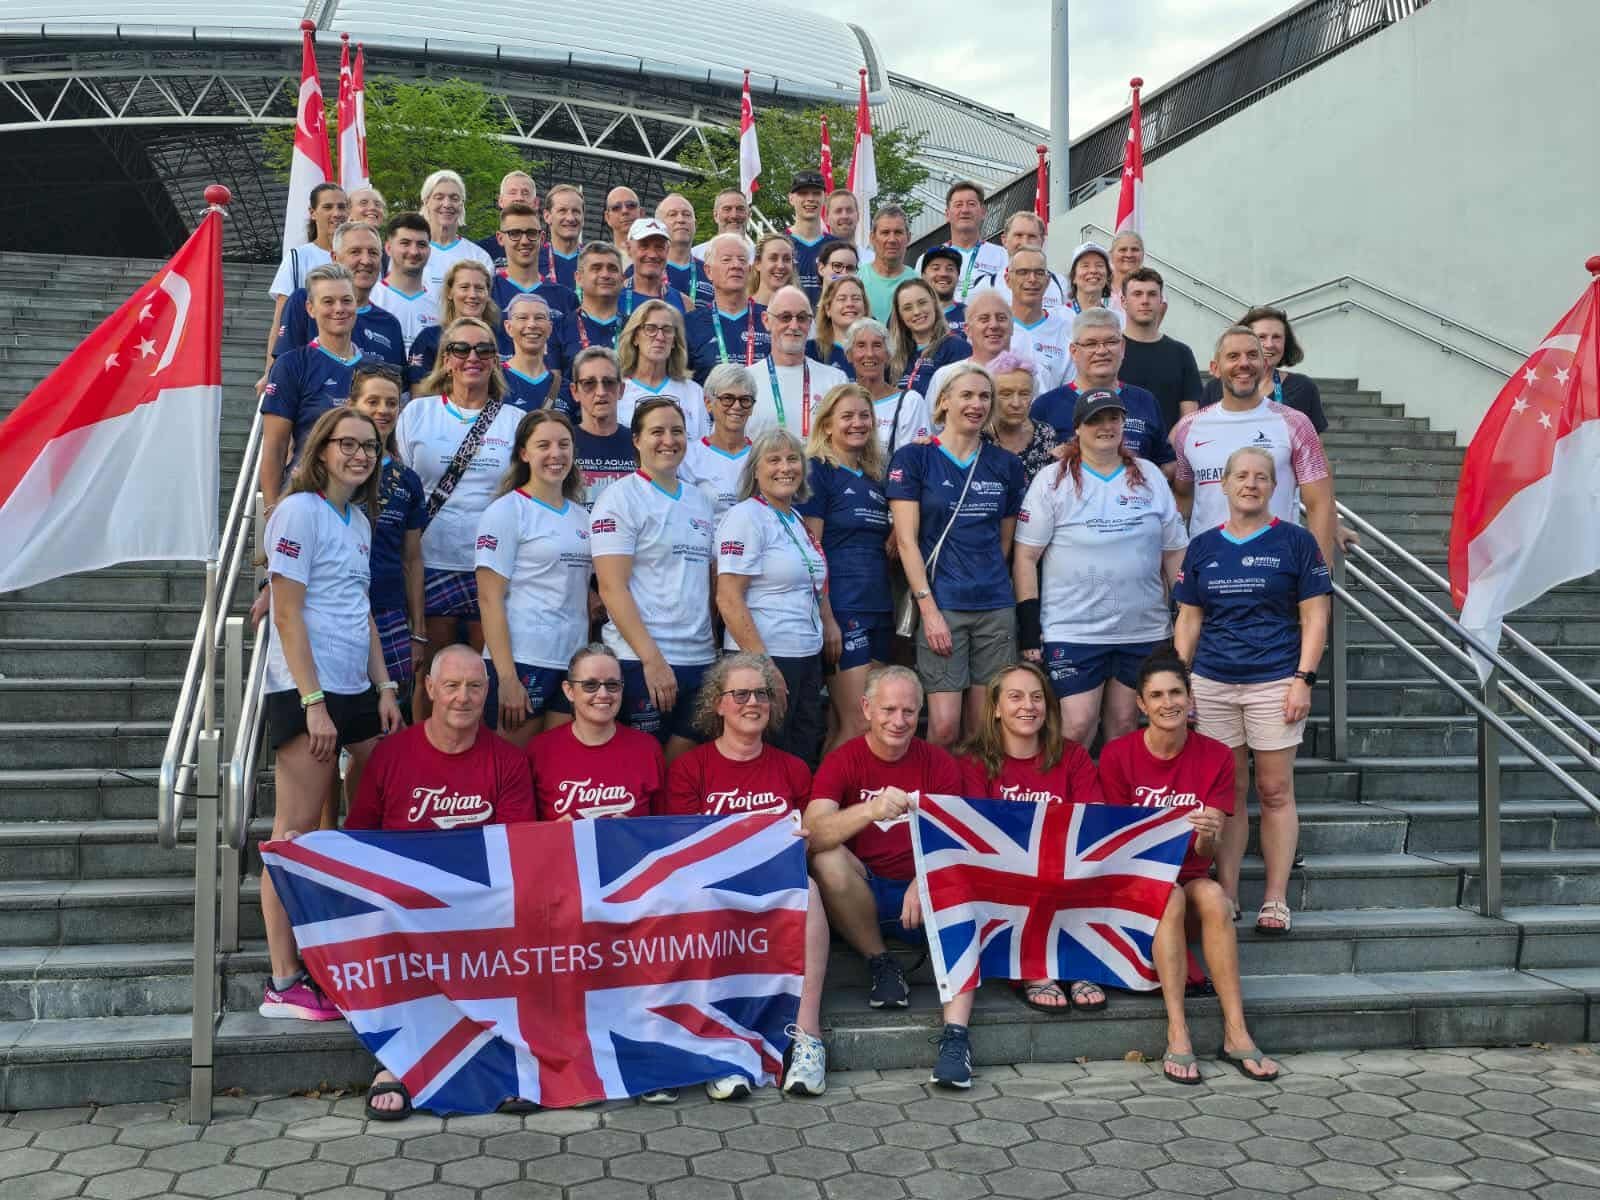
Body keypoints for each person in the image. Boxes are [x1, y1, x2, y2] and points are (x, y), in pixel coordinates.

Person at [258, 407, 404, 1023]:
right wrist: (313, 703)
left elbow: (360, 607)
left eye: (369, 446)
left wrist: (386, 686)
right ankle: (284, 980)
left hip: (353, 687)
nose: (359, 455)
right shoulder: (298, 511)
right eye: (347, 444)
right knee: (294, 835)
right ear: (320, 451)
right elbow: (287, 613)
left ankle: (336, 952)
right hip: (304, 689)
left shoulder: (358, 520)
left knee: (366, 806)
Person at [348, 642, 535, 1119]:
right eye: (451, 685)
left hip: (478, 899)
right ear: (429, 689)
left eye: (474, 686)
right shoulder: (392, 755)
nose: (463, 697)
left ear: (487, 691)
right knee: (384, 922)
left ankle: (502, 1058)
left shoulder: (507, 761)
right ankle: (394, 1062)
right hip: (404, 903)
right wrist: (301, 849)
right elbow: (359, 836)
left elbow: (515, 849)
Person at [1100, 652, 1280, 1084]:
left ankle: (1236, 1030)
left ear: (1190, 697)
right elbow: (1114, 845)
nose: (1168, 703)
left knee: (1215, 897)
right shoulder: (1117, 755)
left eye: (1176, 692)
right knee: (1171, 894)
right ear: (1141, 705)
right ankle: (1177, 1028)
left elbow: (1204, 851)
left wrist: (1209, 832)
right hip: (1136, 878)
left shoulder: (1216, 756)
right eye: (1157, 695)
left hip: (1189, 870)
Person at [1174, 445, 1332, 936]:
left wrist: (1303, 679)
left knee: (1274, 790)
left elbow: (1315, 614)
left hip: (1274, 680)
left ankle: (1275, 898)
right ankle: (1226, 891)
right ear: (1222, 484)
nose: (1250, 483)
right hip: (1214, 682)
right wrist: (1183, 683)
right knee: (1229, 794)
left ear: (1274, 485)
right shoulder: (1203, 546)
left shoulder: (1296, 542)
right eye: (1240, 475)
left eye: (1261, 476)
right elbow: (1189, 618)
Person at [665, 655, 830, 1098]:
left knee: (809, 890)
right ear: (717, 705)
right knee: (706, 898)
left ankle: (808, 1040)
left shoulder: (793, 769)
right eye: (740, 694)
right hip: (712, 888)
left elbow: (806, 841)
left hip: (776, 885)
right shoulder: (689, 769)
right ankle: (725, 1046)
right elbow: (682, 851)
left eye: (761, 694)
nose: (752, 702)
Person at [803, 667, 971, 1086]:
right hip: (867, 893)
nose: (899, 721)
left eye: (909, 711)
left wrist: (924, 879)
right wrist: (871, 810)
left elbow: (955, 838)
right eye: (889, 709)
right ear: (865, 709)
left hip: (924, 894)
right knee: (826, 859)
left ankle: (956, 1034)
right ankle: (881, 962)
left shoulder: (938, 762)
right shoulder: (843, 760)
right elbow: (813, 834)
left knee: (964, 880)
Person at [1013, 387, 1188, 748]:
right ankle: (1068, 805)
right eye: (1095, 420)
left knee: (1124, 726)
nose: (1106, 426)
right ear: (1077, 427)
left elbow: (1174, 552)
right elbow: (1026, 556)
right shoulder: (1053, 479)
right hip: (1073, 629)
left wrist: (1185, 615)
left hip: (1142, 628)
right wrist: (1030, 630)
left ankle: (1112, 806)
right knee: (1076, 726)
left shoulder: (1150, 474)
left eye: (1114, 418)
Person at [888, 365, 1026, 748]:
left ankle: (971, 807)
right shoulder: (913, 459)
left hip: (995, 604)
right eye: (966, 395)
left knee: (983, 731)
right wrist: (929, 610)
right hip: (942, 605)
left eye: (984, 397)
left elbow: (1004, 542)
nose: (977, 404)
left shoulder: (1006, 466)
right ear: (944, 400)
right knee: (944, 727)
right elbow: (906, 542)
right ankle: (936, 806)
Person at [956, 661, 1103, 1014]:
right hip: (1006, 876)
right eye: (1016, 697)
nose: (1029, 706)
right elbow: (978, 834)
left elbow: (1094, 819)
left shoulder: (1073, 756)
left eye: (1037, 698)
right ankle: (1033, 969)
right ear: (994, 708)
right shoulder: (973, 763)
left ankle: (1076, 965)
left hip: (1067, 866)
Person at [395, 316, 524, 718]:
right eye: (461, 349)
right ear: (445, 360)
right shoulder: (418, 413)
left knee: (484, 675)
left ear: (495, 360)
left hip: (493, 565)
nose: (473, 357)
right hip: (431, 561)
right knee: (431, 677)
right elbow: (402, 486)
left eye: (484, 350)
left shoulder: (515, 421)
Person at [590, 397, 717, 760]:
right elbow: (612, 588)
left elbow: (704, 582)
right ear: (636, 440)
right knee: (641, 767)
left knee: (681, 770)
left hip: (699, 658)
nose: (668, 440)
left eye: (677, 431)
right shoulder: (620, 499)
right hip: (642, 659)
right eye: (657, 431)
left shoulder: (699, 500)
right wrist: (652, 660)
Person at [1173, 325, 1339, 569]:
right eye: (1233, 356)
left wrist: (1318, 578)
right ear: (1215, 369)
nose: (1244, 363)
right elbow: (1183, 498)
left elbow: (1320, 504)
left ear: (1264, 365)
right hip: (1209, 575)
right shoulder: (1188, 428)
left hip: (1278, 572)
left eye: (1252, 355)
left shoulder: (1296, 423)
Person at [716, 430, 835, 767]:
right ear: (755, 470)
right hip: (766, 657)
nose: (785, 467)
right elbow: (728, 598)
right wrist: (763, 665)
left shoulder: (795, 518)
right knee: (763, 757)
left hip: (804, 655)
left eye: (792, 458)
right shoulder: (745, 517)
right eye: (774, 459)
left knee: (799, 755)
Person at [476, 410, 593, 746]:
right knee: (509, 771)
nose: (556, 454)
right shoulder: (505, 511)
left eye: (564, 445)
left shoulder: (581, 516)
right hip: (524, 659)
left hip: (572, 663)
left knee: (555, 770)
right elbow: (488, 599)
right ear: (524, 454)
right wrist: (507, 677)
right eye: (543, 445)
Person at [801, 384, 892, 752]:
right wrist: (826, 616)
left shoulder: (876, 475)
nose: (858, 423)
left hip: (880, 606)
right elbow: (811, 549)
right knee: (857, 722)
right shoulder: (817, 472)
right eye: (847, 416)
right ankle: (826, 807)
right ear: (826, 426)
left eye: (864, 415)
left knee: (856, 724)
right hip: (843, 607)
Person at [259, 263, 374, 512]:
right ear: (311, 309)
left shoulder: (375, 368)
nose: (339, 309)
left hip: (362, 500)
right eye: (328, 302)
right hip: (305, 494)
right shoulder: (292, 365)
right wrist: (270, 509)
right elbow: (275, 445)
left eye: (346, 300)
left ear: (357, 305)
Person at [349, 364, 426, 707]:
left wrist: (418, 630)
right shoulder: (326, 468)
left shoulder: (406, 480)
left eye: (392, 403)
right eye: (373, 401)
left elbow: (412, 559)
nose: (383, 410)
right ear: (353, 405)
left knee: (389, 722)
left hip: (388, 610)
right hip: (338, 608)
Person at [1031, 308, 1176, 479]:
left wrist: (1141, 484)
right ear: (1074, 351)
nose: (1101, 351)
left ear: (1122, 347)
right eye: (1091, 344)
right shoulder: (1047, 406)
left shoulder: (1145, 401)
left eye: (1111, 342)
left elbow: (1168, 464)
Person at [527, 643, 666, 820]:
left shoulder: (647, 749)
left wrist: (634, 833)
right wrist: (553, 835)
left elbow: (664, 828)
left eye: (612, 684)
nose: (603, 693)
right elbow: (523, 834)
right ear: (569, 691)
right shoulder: (539, 750)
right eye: (590, 685)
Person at [270, 220, 405, 375]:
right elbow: (282, 373)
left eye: (373, 253)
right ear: (334, 257)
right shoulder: (303, 302)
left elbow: (397, 387)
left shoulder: (389, 324)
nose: (366, 261)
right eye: (355, 252)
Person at [1200, 305, 1329, 433]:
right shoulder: (1216, 387)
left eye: (1276, 337)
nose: (1269, 344)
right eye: (1261, 337)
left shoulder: (1303, 388)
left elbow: (1314, 448)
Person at [265, 182, 346, 382]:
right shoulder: (297, 258)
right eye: (328, 207)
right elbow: (280, 320)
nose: (336, 213)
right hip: (307, 367)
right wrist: (270, 372)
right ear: (313, 212)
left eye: (342, 207)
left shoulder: (363, 259)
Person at [749, 286, 849, 440]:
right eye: (785, 317)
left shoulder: (835, 380)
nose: (794, 326)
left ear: (810, 323)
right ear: (766, 320)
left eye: (802, 318)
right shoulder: (745, 380)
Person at [1120, 267, 1204, 431]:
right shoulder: (1110, 350)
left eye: (1152, 294)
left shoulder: (1181, 353)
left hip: (1169, 452)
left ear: (1161, 302)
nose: (1145, 300)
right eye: (1137, 294)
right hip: (1117, 451)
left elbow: (1189, 418)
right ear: (1123, 301)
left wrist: (1169, 449)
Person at [406, 259, 506, 392]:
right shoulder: (429, 339)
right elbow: (420, 396)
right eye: (464, 287)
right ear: (449, 293)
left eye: (479, 288)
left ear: (488, 294)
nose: (472, 295)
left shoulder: (503, 337)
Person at [685, 232, 770, 379]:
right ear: (708, 271)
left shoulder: (771, 319)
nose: (736, 265)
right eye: (726, 260)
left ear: (749, 271)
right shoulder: (689, 324)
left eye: (742, 260)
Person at [844, 317, 932, 459]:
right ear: (849, 355)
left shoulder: (909, 402)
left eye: (877, 345)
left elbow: (913, 461)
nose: (870, 354)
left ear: (888, 355)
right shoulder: (840, 401)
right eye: (861, 345)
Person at [618, 301, 708, 438]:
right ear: (635, 337)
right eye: (650, 328)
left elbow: (703, 448)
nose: (660, 337)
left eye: (667, 330)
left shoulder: (693, 392)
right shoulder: (617, 391)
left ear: (674, 341)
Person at [681, 362, 756, 518]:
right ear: (708, 403)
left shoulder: (762, 456)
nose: (737, 406)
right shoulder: (689, 457)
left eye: (745, 400)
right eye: (727, 398)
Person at [490, 201, 575, 338]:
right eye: (514, 233)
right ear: (500, 238)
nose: (524, 241)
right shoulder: (487, 293)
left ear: (541, 239)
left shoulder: (565, 298)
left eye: (531, 233)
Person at [916, 181, 1007, 303]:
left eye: (971, 204)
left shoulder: (1002, 256)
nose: (965, 210)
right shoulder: (927, 259)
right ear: (947, 214)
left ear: (983, 212)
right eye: (958, 205)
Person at [569, 347, 637, 508]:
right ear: (575, 392)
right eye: (589, 383)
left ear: (621, 390)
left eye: (609, 383)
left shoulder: (640, 443)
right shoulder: (563, 443)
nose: (601, 392)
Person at [923, 290, 1014, 407]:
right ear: (967, 330)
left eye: (1001, 318)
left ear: (1012, 327)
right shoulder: (945, 376)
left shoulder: (1028, 374)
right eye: (984, 319)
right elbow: (933, 423)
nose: (994, 325)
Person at [552, 242, 626, 380]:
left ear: (622, 279)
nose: (605, 274)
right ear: (578, 278)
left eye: (612, 269)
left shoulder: (636, 328)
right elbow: (554, 384)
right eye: (596, 268)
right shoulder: (557, 329)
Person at [887, 278, 972, 397]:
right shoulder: (893, 355)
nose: (916, 312)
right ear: (899, 315)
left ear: (933, 303)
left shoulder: (957, 348)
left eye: (922, 303)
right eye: (907, 308)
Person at [981, 350, 1058, 482]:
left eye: (1024, 394)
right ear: (990, 396)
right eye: (1006, 394)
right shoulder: (977, 435)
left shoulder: (1045, 434)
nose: (1016, 403)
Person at [419, 169, 494, 301]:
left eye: (454, 198)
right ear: (426, 202)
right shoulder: (410, 252)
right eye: (439, 197)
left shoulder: (478, 257)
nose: (447, 204)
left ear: (462, 205)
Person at [970, 212, 1067, 310]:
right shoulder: (986, 284)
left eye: (1032, 236)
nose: (1025, 242)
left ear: (1042, 241)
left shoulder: (1060, 284)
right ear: (1004, 240)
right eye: (1018, 235)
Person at [368, 212, 437, 348]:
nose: (414, 252)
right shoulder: (371, 297)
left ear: (429, 251)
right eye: (405, 243)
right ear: (388, 248)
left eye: (421, 244)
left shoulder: (439, 304)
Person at [1007, 248, 1071, 391]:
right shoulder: (993, 328)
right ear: (1008, 280)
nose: (1032, 279)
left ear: (1048, 281)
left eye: (1039, 273)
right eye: (1023, 272)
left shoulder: (1065, 331)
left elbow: (1069, 390)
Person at [500, 293, 559, 414]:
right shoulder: (494, 381)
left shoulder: (564, 387)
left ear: (550, 328)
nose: (532, 324)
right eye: (522, 318)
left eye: (539, 318)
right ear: (508, 327)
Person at [860, 205, 919, 321]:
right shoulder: (857, 280)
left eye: (898, 232)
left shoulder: (919, 283)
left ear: (908, 237)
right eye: (885, 233)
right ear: (872, 238)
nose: (892, 239)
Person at [622, 217, 689, 314]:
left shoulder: (684, 303)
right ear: (629, 249)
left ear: (667, 250)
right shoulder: (612, 297)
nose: (652, 254)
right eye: (644, 246)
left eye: (659, 247)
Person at [657, 192, 712, 308]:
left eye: (687, 215)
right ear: (658, 225)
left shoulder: (711, 272)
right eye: (672, 214)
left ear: (695, 225)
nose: (681, 219)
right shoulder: (644, 269)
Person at [475, 170, 539, 268]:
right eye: (512, 192)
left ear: (535, 203)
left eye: (525, 193)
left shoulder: (547, 254)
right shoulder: (479, 251)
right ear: (500, 201)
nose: (519, 198)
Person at [808, 276, 868, 373]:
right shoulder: (812, 350)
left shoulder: (878, 349)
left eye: (856, 298)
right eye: (842, 299)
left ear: (865, 307)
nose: (850, 304)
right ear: (828, 309)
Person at [786, 169, 828, 304]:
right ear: (791, 198)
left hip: (829, 323)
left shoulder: (836, 246)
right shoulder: (778, 243)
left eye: (816, 193)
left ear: (825, 197)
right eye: (803, 193)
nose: (810, 199)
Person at [540, 183, 586, 290]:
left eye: (576, 211)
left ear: (583, 218)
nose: (570, 218)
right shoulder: (534, 260)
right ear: (547, 216)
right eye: (562, 211)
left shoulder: (594, 260)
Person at [919, 245, 967, 338]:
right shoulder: (909, 314)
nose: (943, 274)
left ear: (958, 276)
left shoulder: (971, 315)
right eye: (936, 268)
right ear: (923, 276)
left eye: (950, 269)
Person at [691, 189, 752, 259]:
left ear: (748, 215)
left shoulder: (761, 256)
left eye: (740, 209)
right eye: (727, 209)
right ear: (716, 216)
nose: (734, 215)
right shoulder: (695, 255)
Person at [749, 233, 796, 308]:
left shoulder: (799, 311)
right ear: (758, 263)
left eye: (787, 259)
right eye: (773, 258)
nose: (781, 266)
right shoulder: (741, 310)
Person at [1108, 230, 1145, 305]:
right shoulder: (1099, 284)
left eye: (1135, 249)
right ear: (1111, 254)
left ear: (1143, 254)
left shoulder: (1153, 286)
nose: (1129, 255)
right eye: (1123, 250)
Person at [603, 186, 641, 255]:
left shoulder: (656, 257)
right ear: (607, 217)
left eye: (631, 205)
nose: (625, 211)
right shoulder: (601, 259)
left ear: (641, 213)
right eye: (616, 207)